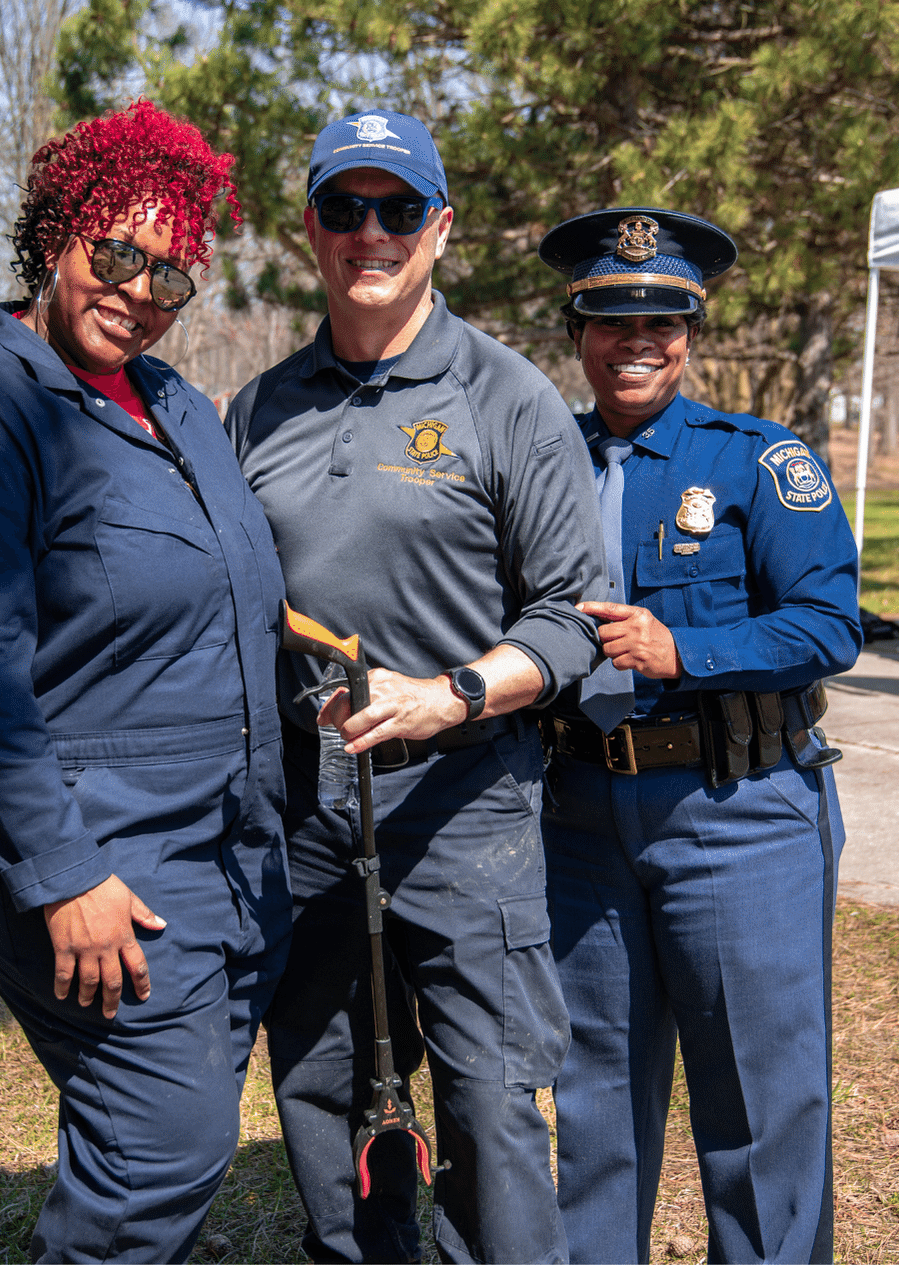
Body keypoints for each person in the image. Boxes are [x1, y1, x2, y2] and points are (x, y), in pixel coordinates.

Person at [0, 102, 289, 1263]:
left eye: (170, 273)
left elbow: (236, 595)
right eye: (115, 253)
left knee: (168, 1129)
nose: (138, 290)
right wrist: (63, 872)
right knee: (164, 1143)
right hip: (105, 854)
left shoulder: (175, 408)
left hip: (231, 845)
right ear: (58, 234)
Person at [227, 110, 603, 1264]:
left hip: (463, 799)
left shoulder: (506, 397)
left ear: (440, 227)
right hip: (311, 807)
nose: (369, 233)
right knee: (328, 1089)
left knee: (491, 1105)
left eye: (397, 210)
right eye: (345, 208)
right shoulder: (260, 407)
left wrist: (456, 693)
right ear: (311, 231)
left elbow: (575, 616)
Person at [534, 209, 860, 1265]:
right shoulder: (543, 464)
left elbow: (830, 622)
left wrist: (687, 651)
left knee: (761, 1105)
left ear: (691, 332)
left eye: (661, 319)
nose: (638, 340)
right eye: (612, 317)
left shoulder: (758, 461)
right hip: (581, 815)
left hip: (739, 811)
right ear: (578, 330)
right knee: (592, 1102)